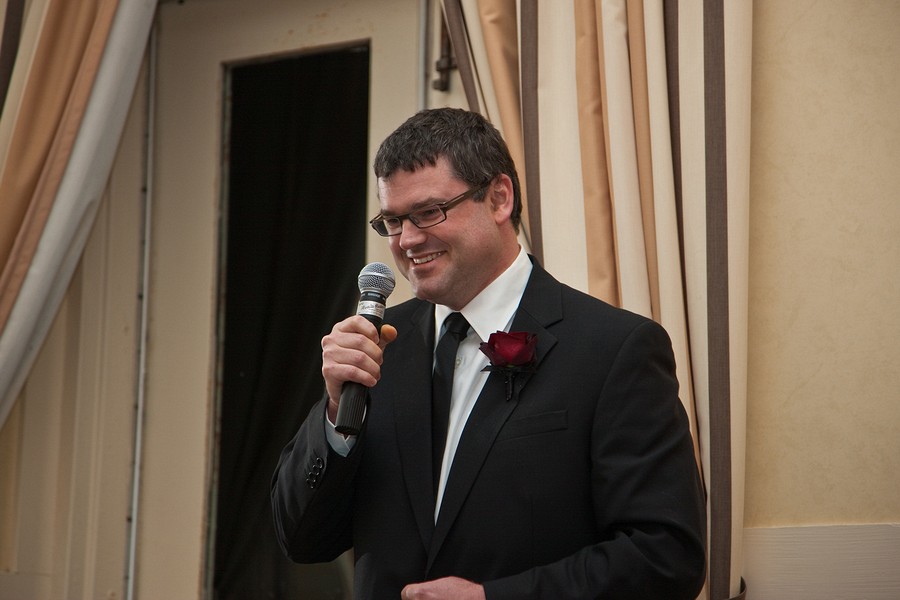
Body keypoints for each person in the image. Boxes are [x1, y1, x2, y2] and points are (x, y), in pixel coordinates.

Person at [271, 108, 707, 599]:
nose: (407, 240)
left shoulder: (614, 350)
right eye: (392, 220)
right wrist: (336, 412)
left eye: (429, 212)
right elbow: (301, 539)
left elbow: (666, 557)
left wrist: (493, 598)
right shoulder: (379, 346)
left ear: (499, 198)